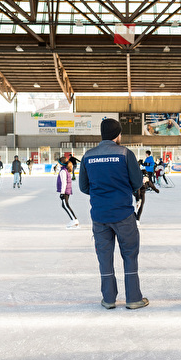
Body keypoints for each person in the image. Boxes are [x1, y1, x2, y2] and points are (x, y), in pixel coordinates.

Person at [79, 118, 148, 310]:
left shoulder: (88, 156)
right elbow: (136, 183)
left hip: (100, 216)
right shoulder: (125, 154)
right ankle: (133, 298)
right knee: (130, 256)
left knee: (104, 257)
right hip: (123, 214)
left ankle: (108, 299)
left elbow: (84, 187)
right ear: (118, 135)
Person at [57, 157, 79, 228]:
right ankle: (74, 220)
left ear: (61, 163)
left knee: (65, 205)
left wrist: (62, 193)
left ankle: (74, 220)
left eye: (58, 162)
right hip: (67, 190)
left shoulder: (63, 171)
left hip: (65, 191)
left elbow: (64, 183)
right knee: (65, 205)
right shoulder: (65, 170)